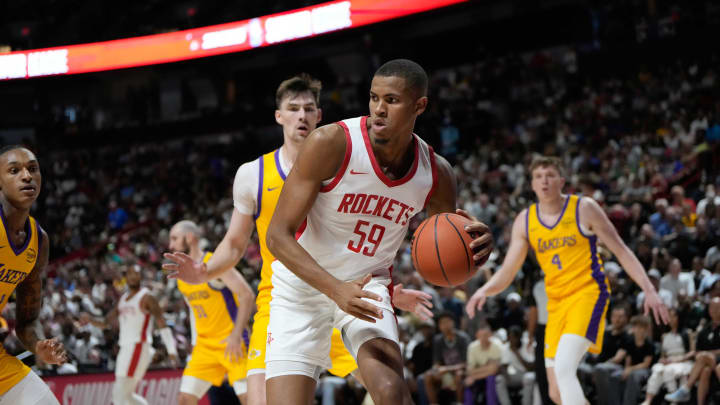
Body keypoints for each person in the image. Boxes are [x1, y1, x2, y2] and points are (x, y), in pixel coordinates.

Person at [163, 72, 435, 405]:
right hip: (285, 298)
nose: (302, 116)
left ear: (320, 116)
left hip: (345, 294)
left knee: (392, 393)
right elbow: (235, 244)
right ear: (279, 116)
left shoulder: (343, 158)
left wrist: (389, 292)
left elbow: (357, 241)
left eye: (309, 109)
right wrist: (204, 273)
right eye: (293, 108)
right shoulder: (254, 174)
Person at [263, 58, 492, 405]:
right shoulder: (331, 143)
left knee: (391, 393)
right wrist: (336, 290)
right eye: (374, 98)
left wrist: (475, 249)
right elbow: (276, 235)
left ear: (420, 106)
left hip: (367, 287)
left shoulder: (437, 173)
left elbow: (447, 250)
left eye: (392, 100)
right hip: (302, 289)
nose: (378, 110)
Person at [466, 155, 669, 405]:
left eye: (550, 175)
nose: (545, 181)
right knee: (556, 392)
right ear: (531, 184)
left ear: (562, 180)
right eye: (538, 176)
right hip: (556, 305)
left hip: (588, 294)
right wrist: (483, 290)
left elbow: (621, 250)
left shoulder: (584, 208)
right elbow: (507, 271)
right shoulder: (525, 221)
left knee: (564, 369)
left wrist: (648, 289)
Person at [0, 145, 67, 405]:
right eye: (14, 171)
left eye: (32, 169)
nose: (26, 176)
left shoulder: (38, 241)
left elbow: (27, 321)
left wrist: (39, 345)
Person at [168, 220, 255, 405]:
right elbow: (194, 312)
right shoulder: (181, 275)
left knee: (250, 400)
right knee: (184, 399)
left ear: (190, 238)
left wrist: (236, 334)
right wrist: (194, 342)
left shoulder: (214, 263)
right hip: (204, 347)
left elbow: (247, 295)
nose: (171, 245)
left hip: (232, 343)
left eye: (174, 238)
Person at [92, 263, 178, 405]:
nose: (133, 277)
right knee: (124, 396)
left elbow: (162, 323)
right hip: (124, 349)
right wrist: (89, 320)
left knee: (119, 396)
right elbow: (106, 322)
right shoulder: (123, 298)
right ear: (126, 277)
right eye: (130, 273)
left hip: (138, 346)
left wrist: (172, 350)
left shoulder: (147, 297)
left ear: (141, 277)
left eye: (136, 274)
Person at [665, 296, 720, 404]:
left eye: (718, 307)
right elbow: (697, 352)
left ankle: (685, 388)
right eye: (712, 307)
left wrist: (708, 354)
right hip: (707, 363)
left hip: (717, 360)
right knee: (705, 370)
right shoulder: (704, 330)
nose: (715, 310)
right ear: (708, 310)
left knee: (705, 356)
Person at [641, 308, 694, 405]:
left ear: (679, 317)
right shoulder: (664, 336)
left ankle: (673, 397)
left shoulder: (688, 332)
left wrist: (678, 359)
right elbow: (663, 355)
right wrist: (663, 360)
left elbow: (692, 352)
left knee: (669, 370)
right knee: (657, 370)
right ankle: (648, 400)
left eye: (673, 316)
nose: (671, 319)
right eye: (669, 316)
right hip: (669, 361)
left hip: (683, 361)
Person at [421, 312, 469, 405]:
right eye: (442, 323)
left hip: (461, 370)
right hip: (445, 371)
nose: (445, 325)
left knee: (459, 375)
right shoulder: (438, 340)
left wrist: (446, 369)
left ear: (453, 323)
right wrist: (436, 370)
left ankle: (459, 403)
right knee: (428, 375)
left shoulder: (463, 338)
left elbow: (466, 363)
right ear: (439, 326)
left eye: (447, 322)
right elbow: (437, 361)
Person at [463, 321, 502, 405]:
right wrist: (486, 368)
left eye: (486, 335)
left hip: (497, 375)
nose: (484, 338)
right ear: (477, 335)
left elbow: (494, 369)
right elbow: (469, 370)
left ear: (490, 335)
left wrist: (474, 376)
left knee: (490, 378)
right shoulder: (472, 347)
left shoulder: (496, 345)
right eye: (481, 335)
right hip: (481, 375)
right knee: (468, 382)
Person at [496, 326, 535, 405]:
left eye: (514, 338)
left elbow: (530, 368)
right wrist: (506, 375)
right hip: (513, 376)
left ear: (519, 337)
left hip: (526, 373)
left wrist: (516, 353)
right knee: (499, 379)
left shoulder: (527, 345)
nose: (511, 340)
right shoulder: (506, 347)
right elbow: (503, 366)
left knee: (528, 378)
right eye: (509, 338)